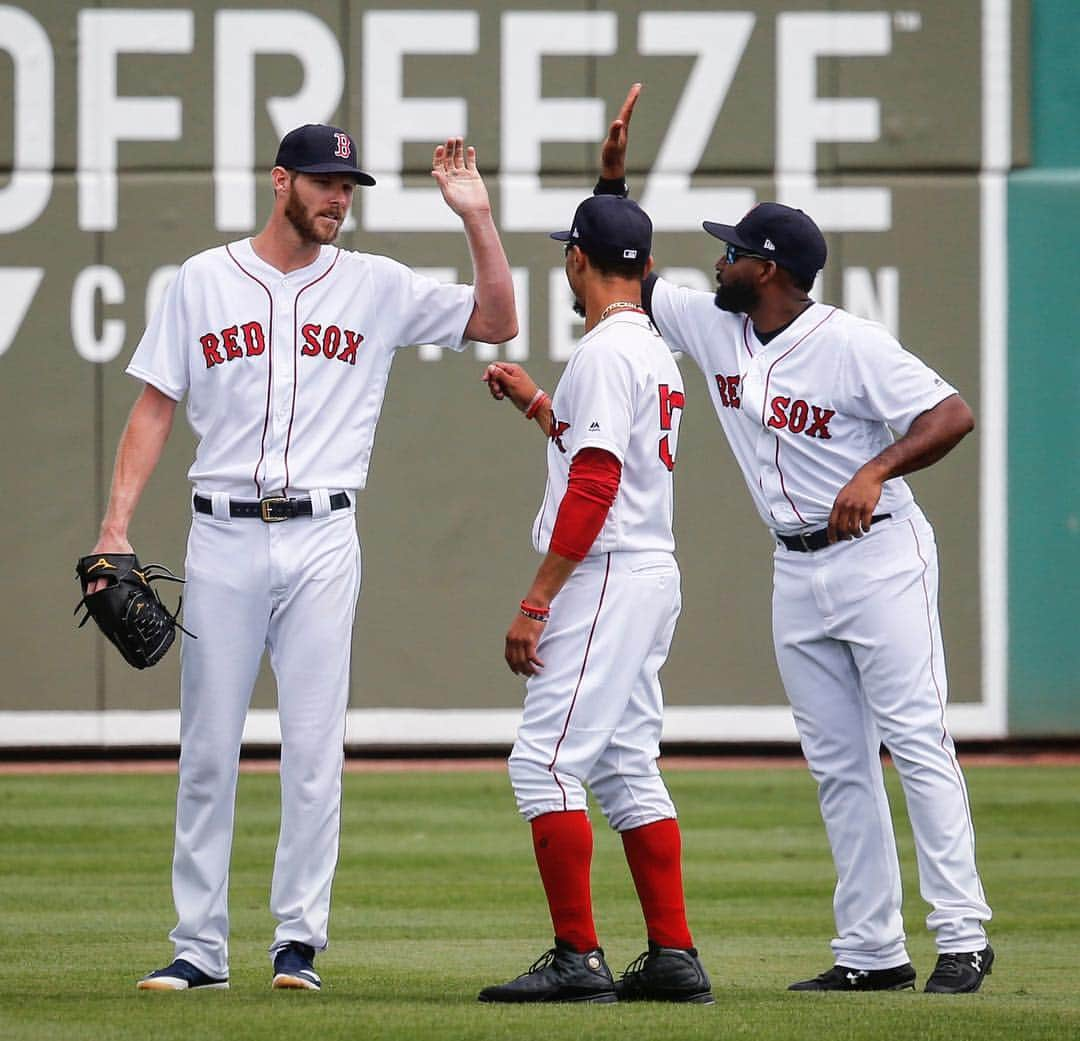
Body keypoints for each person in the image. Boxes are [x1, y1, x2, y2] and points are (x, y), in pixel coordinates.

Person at [84, 123, 517, 992]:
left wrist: (477, 218)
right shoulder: (204, 280)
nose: (337, 197)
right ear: (280, 180)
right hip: (223, 533)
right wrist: (114, 527)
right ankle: (198, 948)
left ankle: (297, 944)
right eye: (323, 181)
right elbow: (155, 406)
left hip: (323, 534)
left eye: (347, 184)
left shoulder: (372, 284)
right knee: (207, 750)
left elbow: (498, 320)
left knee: (313, 749)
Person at [592, 85, 994, 994]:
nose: (721, 257)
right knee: (839, 766)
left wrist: (876, 468)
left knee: (917, 741)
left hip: (881, 555)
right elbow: (629, 271)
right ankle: (872, 952)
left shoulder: (849, 343)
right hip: (795, 566)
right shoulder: (718, 325)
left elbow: (952, 413)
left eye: (735, 249)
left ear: (768, 269)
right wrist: (612, 177)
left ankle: (963, 935)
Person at [477, 193, 713, 1005]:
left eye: (565, 254)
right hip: (650, 568)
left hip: (607, 569)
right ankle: (673, 955)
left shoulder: (607, 353)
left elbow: (598, 481)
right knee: (622, 765)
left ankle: (578, 957)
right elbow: (606, 452)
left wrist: (537, 599)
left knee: (543, 765)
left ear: (579, 260)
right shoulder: (649, 348)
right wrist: (543, 405)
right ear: (643, 267)